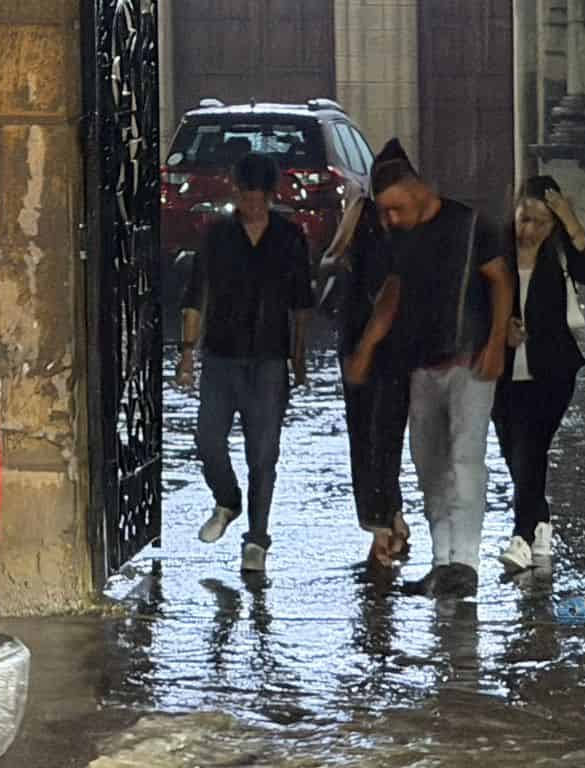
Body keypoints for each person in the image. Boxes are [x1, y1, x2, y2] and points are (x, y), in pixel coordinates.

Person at [345, 140, 514, 600]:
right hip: (420, 363)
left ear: (416, 191)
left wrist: (497, 341)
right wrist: (367, 347)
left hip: (469, 358)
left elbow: (500, 281)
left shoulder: (470, 224)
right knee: (430, 465)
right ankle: (442, 560)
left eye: (395, 208)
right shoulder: (401, 236)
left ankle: (466, 560)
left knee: (465, 458)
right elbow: (393, 294)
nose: (390, 220)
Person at [178, 152, 312, 574]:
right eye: (247, 197)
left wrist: (298, 354)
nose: (254, 206)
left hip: (269, 357)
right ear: (237, 193)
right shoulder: (217, 237)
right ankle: (227, 499)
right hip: (220, 354)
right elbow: (196, 294)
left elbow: (301, 303)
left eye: (261, 198)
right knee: (208, 440)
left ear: (271, 196)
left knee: (264, 454)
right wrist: (186, 353)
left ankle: (257, 538)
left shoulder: (289, 238)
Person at [493, 176, 585, 573]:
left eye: (541, 222)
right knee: (514, 452)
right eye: (525, 219)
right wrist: (500, 328)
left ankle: (521, 537)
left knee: (530, 449)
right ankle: (540, 521)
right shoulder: (495, 249)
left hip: (552, 370)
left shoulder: (558, 253)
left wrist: (571, 221)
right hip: (502, 370)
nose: (531, 230)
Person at [322, 186, 412, 566]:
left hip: (371, 349)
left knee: (368, 437)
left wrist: (352, 214)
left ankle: (381, 524)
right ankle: (390, 515)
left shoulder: (369, 244)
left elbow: (328, 259)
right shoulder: (397, 242)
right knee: (384, 436)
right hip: (385, 349)